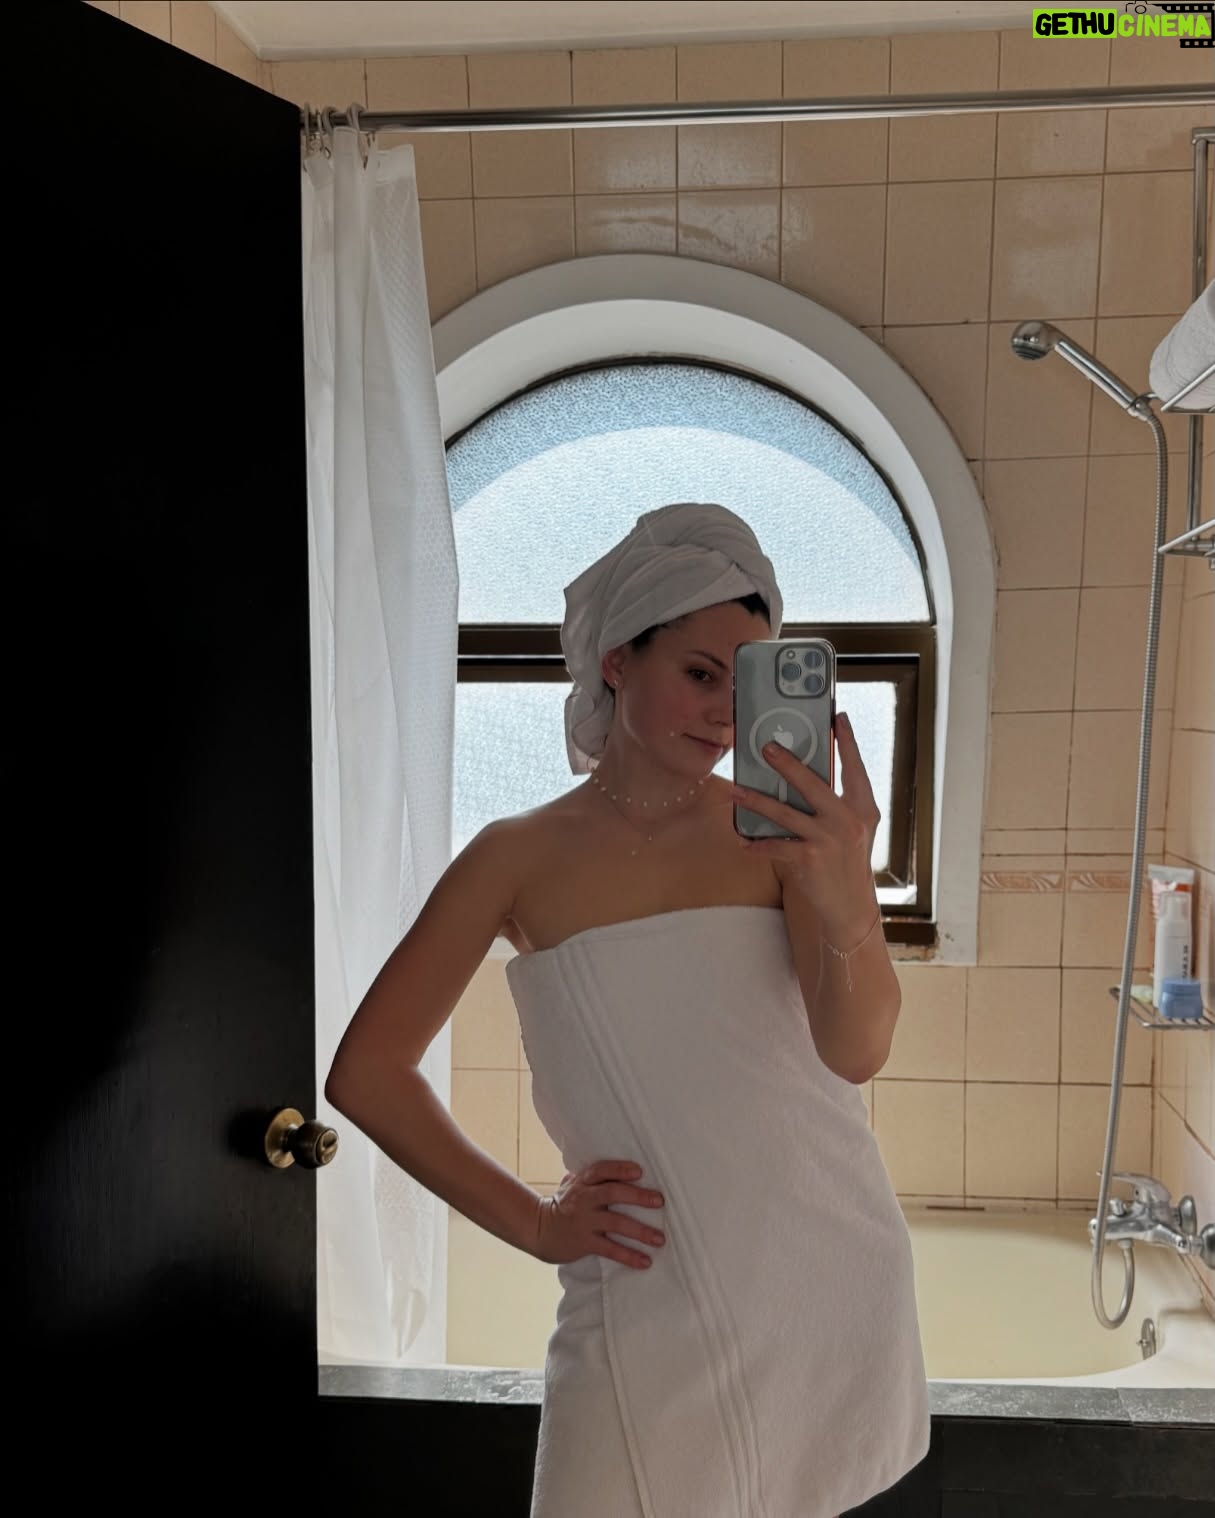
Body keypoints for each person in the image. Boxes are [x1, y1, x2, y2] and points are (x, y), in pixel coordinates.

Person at [326, 503, 931, 1518]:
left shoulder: (780, 840)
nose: (725, 713)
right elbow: (368, 1074)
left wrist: (845, 889)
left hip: (822, 1280)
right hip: (640, 1290)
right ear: (616, 660)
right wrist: (535, 1223)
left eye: (743, 682)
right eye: (700, 673)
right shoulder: (515, 857)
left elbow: (856, 1050)